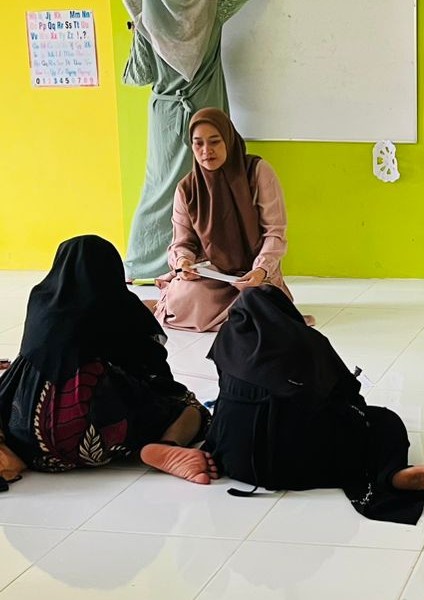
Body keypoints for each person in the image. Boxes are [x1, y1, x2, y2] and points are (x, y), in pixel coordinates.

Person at [201, 285, 424, 525]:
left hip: (234, 463)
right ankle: (392, 474)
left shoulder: (226, 340)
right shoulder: (306, 341)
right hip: (300, 468)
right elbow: (347, 393)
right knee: (384, 422)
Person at [0, 235, 217, 486]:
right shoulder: (118, 303)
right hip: (97, 444)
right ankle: (167, 445)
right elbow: (153, 366)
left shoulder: (40, 298)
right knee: (189, 406)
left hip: (30, 442)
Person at [121, 0, 253, 279]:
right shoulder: (213, 9)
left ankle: (142, 264)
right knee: (213, 183)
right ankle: (212, 259)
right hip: (208, 110)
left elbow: (139, 75)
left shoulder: (147, 16)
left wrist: (137, 23)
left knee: (161, 187)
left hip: (167, 116)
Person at [153, 107, 310, 332]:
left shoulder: (257, 172)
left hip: (254, 276)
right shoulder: (187, 188)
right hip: (213, 277)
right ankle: (234, 316)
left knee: (259, 299)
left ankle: (237, 313)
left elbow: (275, 233)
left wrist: (261, 270)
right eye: (198, 144)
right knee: (184, 298)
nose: (206, 151)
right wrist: (183, 263)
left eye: (215, 141)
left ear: (228, 140)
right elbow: (182, 242)